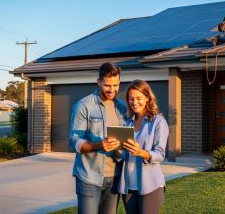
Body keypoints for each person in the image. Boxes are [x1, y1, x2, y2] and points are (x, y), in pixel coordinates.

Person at [69, 62, 127, 214]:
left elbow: (124, 140)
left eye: (116, 85)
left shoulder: (122, 107)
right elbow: (73, 140)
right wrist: (98, 145)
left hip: (115, 177)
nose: (112, 90)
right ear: (99, 81)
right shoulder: (84, 105)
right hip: (89, 177)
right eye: (108, 85)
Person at [118, 79, 169, 214]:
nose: (134, 102)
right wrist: (116, 149)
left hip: (151, 186)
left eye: (139, 98)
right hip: (128, 186)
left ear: (147, 97)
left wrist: (141, 152)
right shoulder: (127, 123)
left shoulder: (158, 122)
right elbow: (123, 155)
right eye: (131, 99)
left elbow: (160, 154)